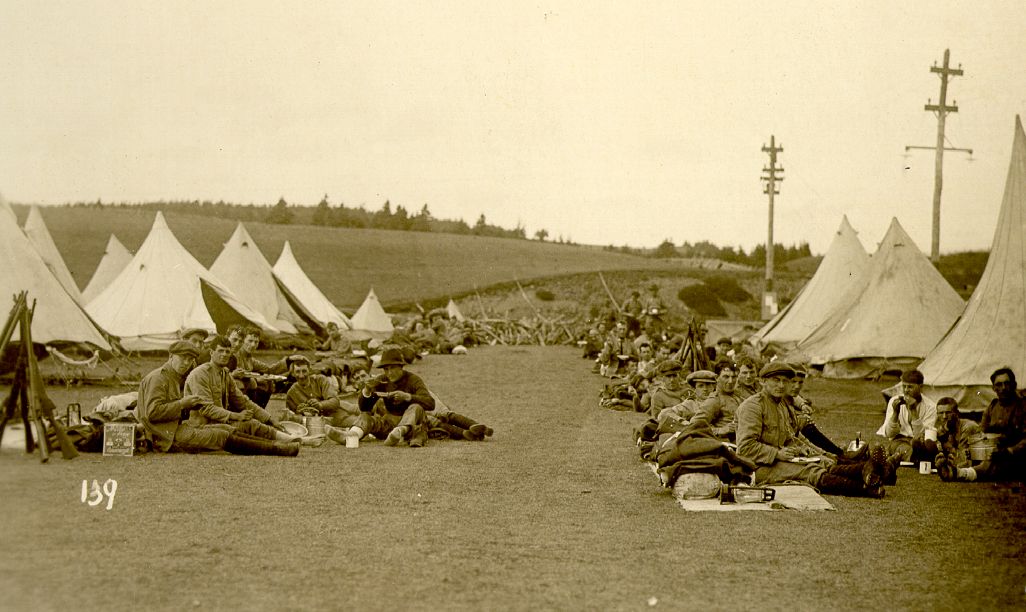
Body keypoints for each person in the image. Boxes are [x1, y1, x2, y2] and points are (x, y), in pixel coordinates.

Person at [736, 362, 886, 497]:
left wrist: (799, 449)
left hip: (777, 460)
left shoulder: (780, 405)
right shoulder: (753, 407)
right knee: (809, 471)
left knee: (822, 461)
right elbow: (745, 448)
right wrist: (777, 453)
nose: (781, 385)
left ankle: (869, 471)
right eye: (776, 380)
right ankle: (865, 487)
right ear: (763, 381)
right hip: (756, 467)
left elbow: (789, 436)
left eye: (785, 381)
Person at [136, 341, 299, 456]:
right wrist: (182, 404)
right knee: (220, 435)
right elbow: (152, 413)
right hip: (164, 436)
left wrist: (187, 406)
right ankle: (278, 449)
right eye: (182, 358)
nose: (186, 363)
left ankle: (280, 445)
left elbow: (241, 400)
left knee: (226, 430)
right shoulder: (158, 378)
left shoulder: (176, 376)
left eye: (189, 359)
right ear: (171, 356)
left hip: (174, 428)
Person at [184, 335, 290, 435]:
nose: (224, 354)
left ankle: (290, 438)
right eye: (220, 351)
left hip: (219, 425)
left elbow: (242, 401)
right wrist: (236, 416)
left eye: (227, 352)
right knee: (246, 430)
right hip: (201, 428)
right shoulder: (200, 374)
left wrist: (270, 419)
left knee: (252, 424)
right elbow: (207, 409)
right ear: (211, 352)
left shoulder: (225, 374)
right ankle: (288, 443)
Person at [334, 348, 434, 447]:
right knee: (365, 416)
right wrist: (367, 391)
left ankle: (399, 431)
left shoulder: (413, 380)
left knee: (416, 407)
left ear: (401, 367)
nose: (389, 373)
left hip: (412, 427)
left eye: (393, 368)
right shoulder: (382, 380)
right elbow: (364, 408)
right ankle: (351, 435)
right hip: (389, 426)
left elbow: (430, 403)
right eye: (386, 369)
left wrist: (408, 397)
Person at [876, 369, 938, 463]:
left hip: (920, 443)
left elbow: (923, 436)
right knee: (903, 449)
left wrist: (914, 412)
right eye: (904, 386)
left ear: (920, 387)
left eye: (910, 387)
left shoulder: (931, 407)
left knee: (920, 446)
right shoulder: (894, 401)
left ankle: (920, 458)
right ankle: (920, 459)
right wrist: (895, 414)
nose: (906, 390)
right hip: (900, 441)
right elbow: (889, 434)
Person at [285, 355, 361, 430]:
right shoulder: (292, 393)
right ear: (293, 373)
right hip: (323, 422)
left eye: (304, 371)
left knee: (362, 414)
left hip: (338, 412)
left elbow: (335, 401)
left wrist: (320, 405)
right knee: (359, 423)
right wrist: (304, 414)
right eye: (297, 372)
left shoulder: (320, 380)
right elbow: (291, 417)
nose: (301, 376)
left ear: (309, 371)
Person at [975, 367, 1026, 481]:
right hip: (994, 455)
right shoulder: (992, 407)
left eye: (1007, 384)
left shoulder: (1023, 406)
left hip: (1017, 458)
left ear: (1014, 385)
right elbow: (981, 431)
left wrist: (1010, 451)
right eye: (998, 384)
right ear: (994, 388)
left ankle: (962, 474)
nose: (1003, 388)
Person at [933, 397, 985, 482]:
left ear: (957, 413)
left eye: (948, 412)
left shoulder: (968, 427)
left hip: (981, 465)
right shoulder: (942, 429)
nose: (944, 416)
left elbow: (964, 460)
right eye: (941, 413)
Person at [232, 327, 288, 406]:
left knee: (269, 383)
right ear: (243, 341)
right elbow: (238, 374)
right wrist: (257, 379)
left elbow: (268, 369)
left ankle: (259, 411)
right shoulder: (235, 354)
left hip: (246, 384)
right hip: (235, 386)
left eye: (256, 342)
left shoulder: (250, 358)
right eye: (250, 341)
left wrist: (288, 360)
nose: (253, 345)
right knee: (257, 383)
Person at [697, 362, 745, 442]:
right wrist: (720, 430)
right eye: (726, 377)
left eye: (733, 377)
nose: (730, 381)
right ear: (716, 378)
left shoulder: (738, 396)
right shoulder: (714, 400)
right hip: (731, 445)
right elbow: (695, 425)